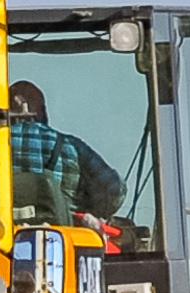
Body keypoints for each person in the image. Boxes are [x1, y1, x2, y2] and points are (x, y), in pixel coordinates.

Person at [9, 80, 124, 226]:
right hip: (64, 240)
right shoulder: (71, 147)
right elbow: (114, 191)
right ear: (41, 111)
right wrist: (88, 208)